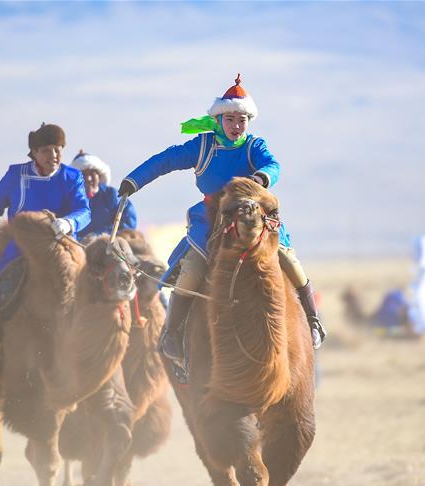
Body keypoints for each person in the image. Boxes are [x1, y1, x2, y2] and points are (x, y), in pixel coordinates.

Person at [117, 74, 326, 367]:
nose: (236, 125)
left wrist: (262, 177)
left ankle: (313, 321)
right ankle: (173, 333)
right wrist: (133, 181)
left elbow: (273, 164)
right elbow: (165, 160)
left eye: (242, 120)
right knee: (192, 266)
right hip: (211, 216)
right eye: (231, 119)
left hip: (253, 213)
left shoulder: (254, 146)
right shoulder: (201, 146)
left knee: (287, 259)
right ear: (219, 119)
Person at [0, 123, 91, 377]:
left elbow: (84, 211)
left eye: (58, 149)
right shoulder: (16, 175)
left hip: (61, 247)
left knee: (87, 295)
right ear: (34, 153)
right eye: (47, 150)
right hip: (21, 249)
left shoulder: (72, 177)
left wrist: (69, 222)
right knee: (0, 295)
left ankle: (88, 354)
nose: (55, 155)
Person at [71, 150, 137, 239]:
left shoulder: (112, 195)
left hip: (110, 245)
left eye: (92, 173)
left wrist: (99, 237)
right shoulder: (69, 200)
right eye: (83, 175)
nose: (89, 178)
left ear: (99, 175)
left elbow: (128, 223)